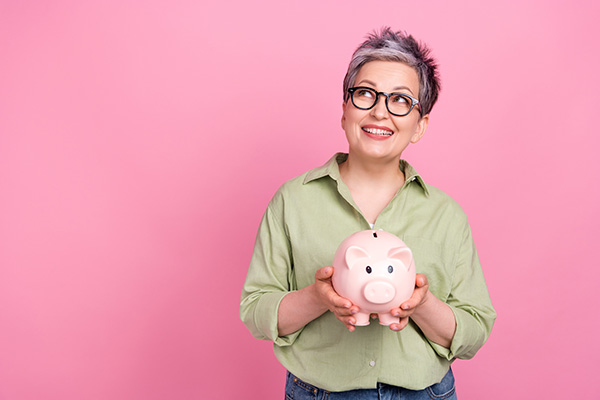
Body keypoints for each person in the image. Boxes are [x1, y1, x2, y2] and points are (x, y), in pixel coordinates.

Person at [240, 27, 496, 399]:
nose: (380, 111)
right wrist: (318, 297)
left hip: (425, 392)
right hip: (320, 392)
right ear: (344, 110)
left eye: (401, 101)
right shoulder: (292, 201)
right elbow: (256, 311)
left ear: (420, 125)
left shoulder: (446, 215)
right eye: (365, 94)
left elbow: (473, 332)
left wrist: (422, 304)